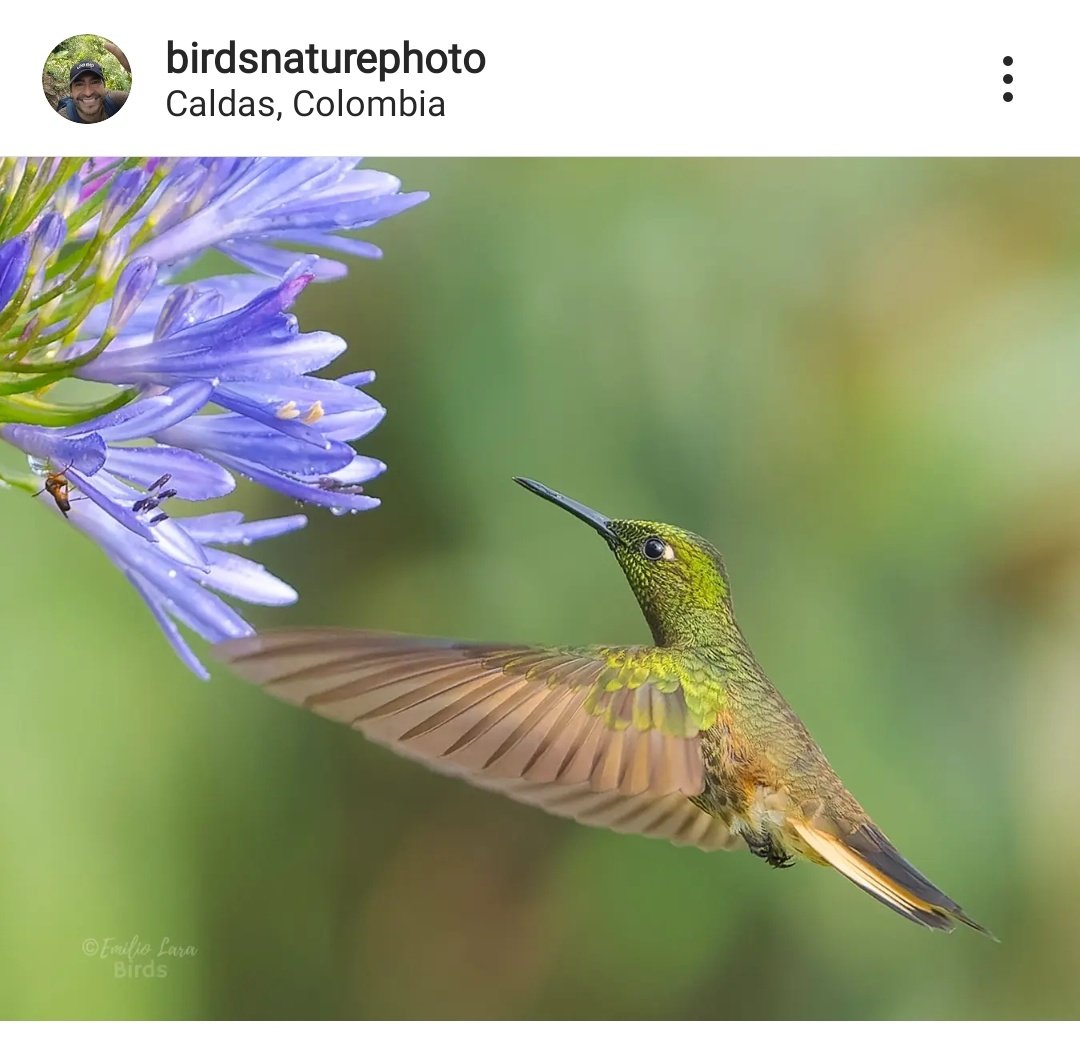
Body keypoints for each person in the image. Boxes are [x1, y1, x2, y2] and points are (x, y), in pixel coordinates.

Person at [57, 41, 130, 123]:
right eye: (79, 84)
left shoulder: (117, 100)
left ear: (104, 86)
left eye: (95, 82)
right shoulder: (64, 116)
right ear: (71, 92)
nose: (88, 93)